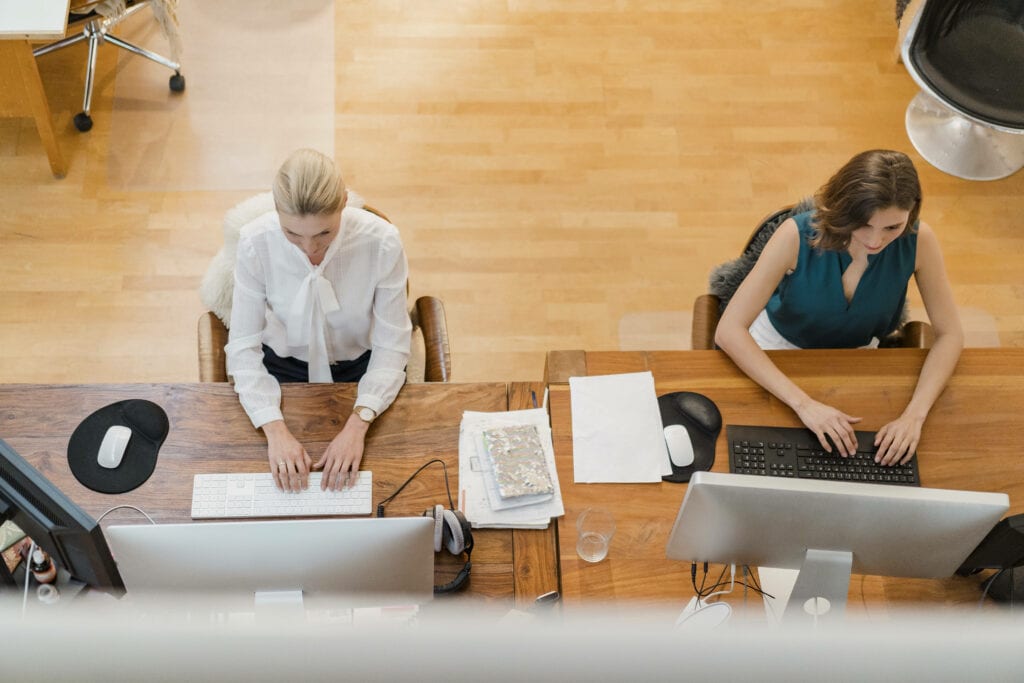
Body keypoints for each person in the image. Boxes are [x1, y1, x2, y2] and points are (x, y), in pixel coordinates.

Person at [715, 149, 963, 466]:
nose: (875, 241)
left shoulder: (920, 240)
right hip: (776, 349)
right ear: (845, 209)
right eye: (864, 225)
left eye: (892, 227)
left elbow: (951, 334)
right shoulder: (795, 234)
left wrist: (914, 416)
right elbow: (729, 330)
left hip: (855, 359)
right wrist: (803, 404)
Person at [225, 149, 412, 492]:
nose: (309, 249)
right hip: (279, 370)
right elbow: (242, 347)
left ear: (343, 202)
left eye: (324, 234)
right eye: (292, 234)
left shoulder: (382, 242)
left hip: (359, 369)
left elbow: (392, 343)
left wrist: (359, 424)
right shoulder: (255, 242)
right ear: (276, 210)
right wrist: (274, 429)